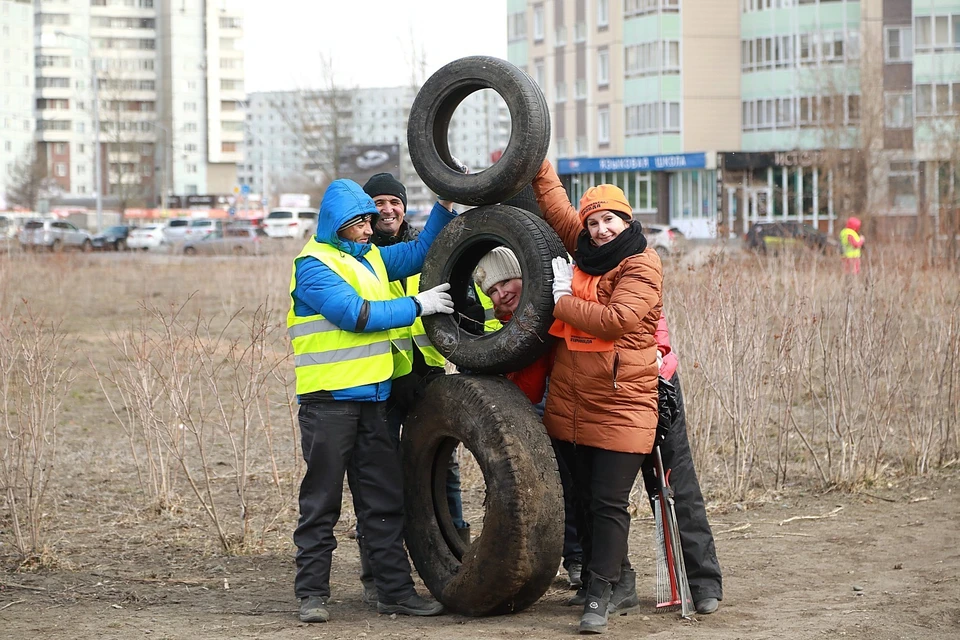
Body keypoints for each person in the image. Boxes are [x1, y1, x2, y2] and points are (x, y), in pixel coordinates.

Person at [474, 250, 723, 616]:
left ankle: (702, 583)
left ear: (524, 271)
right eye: (491, 291)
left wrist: (661, 353)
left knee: (672, 484)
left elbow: (645, 316)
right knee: (594, 495)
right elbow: (530, 383)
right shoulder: (529, 318)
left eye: (505, 282)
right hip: (591, 403)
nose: (501, 294)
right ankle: (612, 583)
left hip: (650, 385)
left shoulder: (580, 279)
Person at [288, 178, 457, 623]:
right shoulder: (313, 265)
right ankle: (311, 595)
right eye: (360, 222)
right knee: (321, 501)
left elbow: (419, 253)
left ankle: (394, 593)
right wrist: (417, 306)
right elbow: (357, 314)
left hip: (373, 402)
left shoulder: (373, 259)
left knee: (383, 502)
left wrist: (445, 200)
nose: (370, 228)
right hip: (329, 405)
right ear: (337, 224)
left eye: (369, 221)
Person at [532, 160, 663, 635]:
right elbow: (555, 202)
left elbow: (616, 320)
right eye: (593, 221)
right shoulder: (583, 247)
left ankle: (600, 595)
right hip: (572, 403)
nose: (601, 229)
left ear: (627, 221)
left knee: (608, 501)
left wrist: (561, 299)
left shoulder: (642, 263)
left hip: (622, 402)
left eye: (610, 219)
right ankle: (619, 579)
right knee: (585, 499)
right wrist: (532, 153)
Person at [350, 172, 469, 607]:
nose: (386, 209)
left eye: (393, 201)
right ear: (363, 210)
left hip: (428, 376)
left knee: (444, 468)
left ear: (403, 206)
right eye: (377, 202)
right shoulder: (356, 255)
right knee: (377, 477)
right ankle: (377, 573)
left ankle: (458, 556)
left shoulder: (429, 248)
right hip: (381, 381)